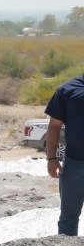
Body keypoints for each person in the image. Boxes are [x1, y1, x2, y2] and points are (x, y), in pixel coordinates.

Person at [45, 71, 84, 235]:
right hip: (74, 164)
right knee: (68, 218)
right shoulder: (68, 90)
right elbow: (54, 125)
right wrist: (51, 158)